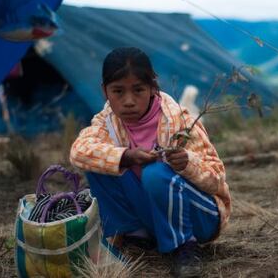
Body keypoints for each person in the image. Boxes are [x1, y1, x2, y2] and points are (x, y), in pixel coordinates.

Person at [69, 47, 231, 277]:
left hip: (201, 219)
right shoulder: (107, 121)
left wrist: (187, 163)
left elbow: (216, 178)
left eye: (138, 90)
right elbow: (78, 152)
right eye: (118, 91)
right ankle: (137, 235)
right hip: (155, 218)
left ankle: (184, 247)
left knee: (155, 174)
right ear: (104, 91)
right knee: (98, 164)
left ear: (153, 88)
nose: (128, 101)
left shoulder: (178, 121)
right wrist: (126, 155)